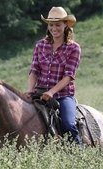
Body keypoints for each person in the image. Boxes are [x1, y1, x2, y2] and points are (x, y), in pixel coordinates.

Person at [25, 6, 82, 144]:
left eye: (58, 25)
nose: (54, 28)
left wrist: (51, 92)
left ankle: (80, 155)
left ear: (66, 25)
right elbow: (34, 71)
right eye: (51, 25)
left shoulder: (73, 48)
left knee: (68, 124)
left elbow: (68, 76)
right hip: (39, 93)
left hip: (63, 96)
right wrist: (30, 90)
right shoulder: (40, 45)